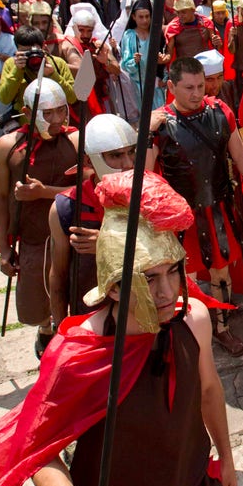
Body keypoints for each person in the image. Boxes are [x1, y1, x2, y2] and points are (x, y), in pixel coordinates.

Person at [0, 170, 236, 486]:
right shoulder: (76, 355)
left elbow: (209, 390)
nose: (167, 292)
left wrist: (225, 456)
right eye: (149, 278)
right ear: (113, 286)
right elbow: (38, 450)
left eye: (172, 271)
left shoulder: (193, 320)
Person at [147, 56, 243, 357]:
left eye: (201, 85)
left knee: (220, 271)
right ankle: (183, 329)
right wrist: (147, 134)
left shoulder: (219, 111)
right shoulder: (159, 123)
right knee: (178, 276)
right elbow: (147, 175)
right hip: (179, 216)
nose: (197, 93)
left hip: (217, 206)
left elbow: (239, 153)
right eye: (189, 87)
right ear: (171, 86)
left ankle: (222, 328)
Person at [0, 77, 81, 355]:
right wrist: (4, 249)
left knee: (75, 292)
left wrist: (44, 193)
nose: (56, 119)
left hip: (72, 235)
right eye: (47, 113)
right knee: (36, 304)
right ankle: (46, 329)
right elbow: (1, 197)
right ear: (28, 114)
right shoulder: (7, 146)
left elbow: (89, 189)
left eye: (61, 110)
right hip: (33, 238)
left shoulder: (77, 139)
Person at [47, 114, 140, 334]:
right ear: (89, 161)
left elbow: (170, 255)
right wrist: (62, 334)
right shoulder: (66, 208)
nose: (127, 164)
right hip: (92, 322)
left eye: (131, 152)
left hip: (143, 315)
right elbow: (58, 277)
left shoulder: (152, 195)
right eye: (116, 156)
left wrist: (108, 243)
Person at [0, 26, 78, 123]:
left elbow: (72, 98)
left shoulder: (58, 64)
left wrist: (53, 75)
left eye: (33, 51)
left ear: (43, 46)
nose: (30, 56)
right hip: (27, 126)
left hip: (56, 124)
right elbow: (4, 98)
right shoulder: (11, 65)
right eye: (24, 52)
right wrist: (17, 70)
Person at [119, 0, 165, 109]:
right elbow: (125, 64)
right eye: (141, 17)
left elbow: (165, 56)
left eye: (147, 16)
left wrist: (164, 77)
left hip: (156, 84)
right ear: (133, 17)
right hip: (136, 86)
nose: (144, 20)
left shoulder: (156, 34)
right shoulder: (129, 36)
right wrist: (134, 62)